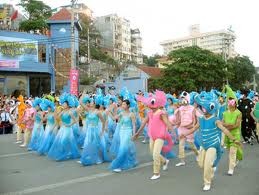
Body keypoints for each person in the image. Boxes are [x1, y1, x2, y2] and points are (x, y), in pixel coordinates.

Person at [182, 92, 241, 191]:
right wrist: (185, 134)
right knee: (201, 164)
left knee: (207, 163)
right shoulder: (201, 119)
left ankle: (207, 182)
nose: (204, 109)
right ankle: (212, 169)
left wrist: (234, 139)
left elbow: (224, 130)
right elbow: (194, 128)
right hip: (203, 145)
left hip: (213, 145)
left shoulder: (216, 120)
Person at [133, 90, 173, 180]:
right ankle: (165, 161)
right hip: (152, 136)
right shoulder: (150, 113)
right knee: (152, 153)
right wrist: (137, 133)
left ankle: (156, 172)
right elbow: (143, 123)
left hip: (160, 136)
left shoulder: (161, 113)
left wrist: (172, 132)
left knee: (155, 154)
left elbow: (167, 122)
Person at [110, 99, 138, 172]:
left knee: (123, 148)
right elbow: (114, 118)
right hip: (121, 132)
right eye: (122, 104)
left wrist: (134, 134)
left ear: (128, 105)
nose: (123, 105)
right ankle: (130, 160)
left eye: (124, 104)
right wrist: (110, 111)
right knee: (124, 147)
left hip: (128, 132)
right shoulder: (121, 113)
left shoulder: (131, 114)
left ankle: (120, 165)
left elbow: (134, 125)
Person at [222, 98, 243, 176]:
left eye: (232, 103)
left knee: (232, 152)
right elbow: (222, 123)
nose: (230, 104)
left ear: (235, 104)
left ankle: (231, 169)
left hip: (235, 135)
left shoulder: (239, 113)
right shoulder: (224, 113)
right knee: (229, 150)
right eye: (229, 103)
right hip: (227, 135)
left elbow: (237, 125)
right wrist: (229, 125)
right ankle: (238, 156)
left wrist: (227, 126)